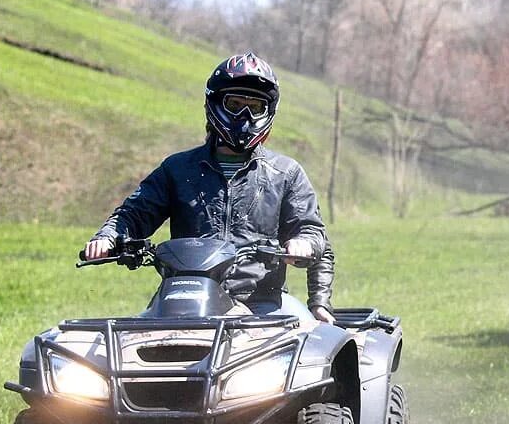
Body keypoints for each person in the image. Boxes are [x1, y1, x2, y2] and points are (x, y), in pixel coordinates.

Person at [84, 51, 335, 323]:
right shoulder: (176, 169)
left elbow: (312, 231)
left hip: (263, 302)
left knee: (310, 350)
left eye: (255, 107)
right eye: (235, 104)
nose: (245, 115)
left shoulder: (286, 173)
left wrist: (304, 244)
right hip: (183, 299)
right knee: (128, 354)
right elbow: (135, 214)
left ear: (268, 112)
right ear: (214, 103)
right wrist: (108, 237)